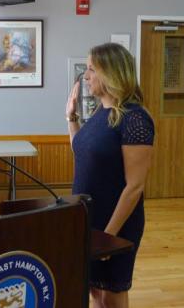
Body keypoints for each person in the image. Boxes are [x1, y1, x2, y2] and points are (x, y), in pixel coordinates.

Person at [66, 43, 154, 307]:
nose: (86, 75)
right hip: (89, 218)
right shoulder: (99, 113)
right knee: (94, 289)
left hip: (116, 222)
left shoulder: (135, 119)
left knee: (112, 295)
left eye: (92, 69)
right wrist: (71, 117)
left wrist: (108, 237)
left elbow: (135, 186)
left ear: (111, 74)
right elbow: (81, 150)